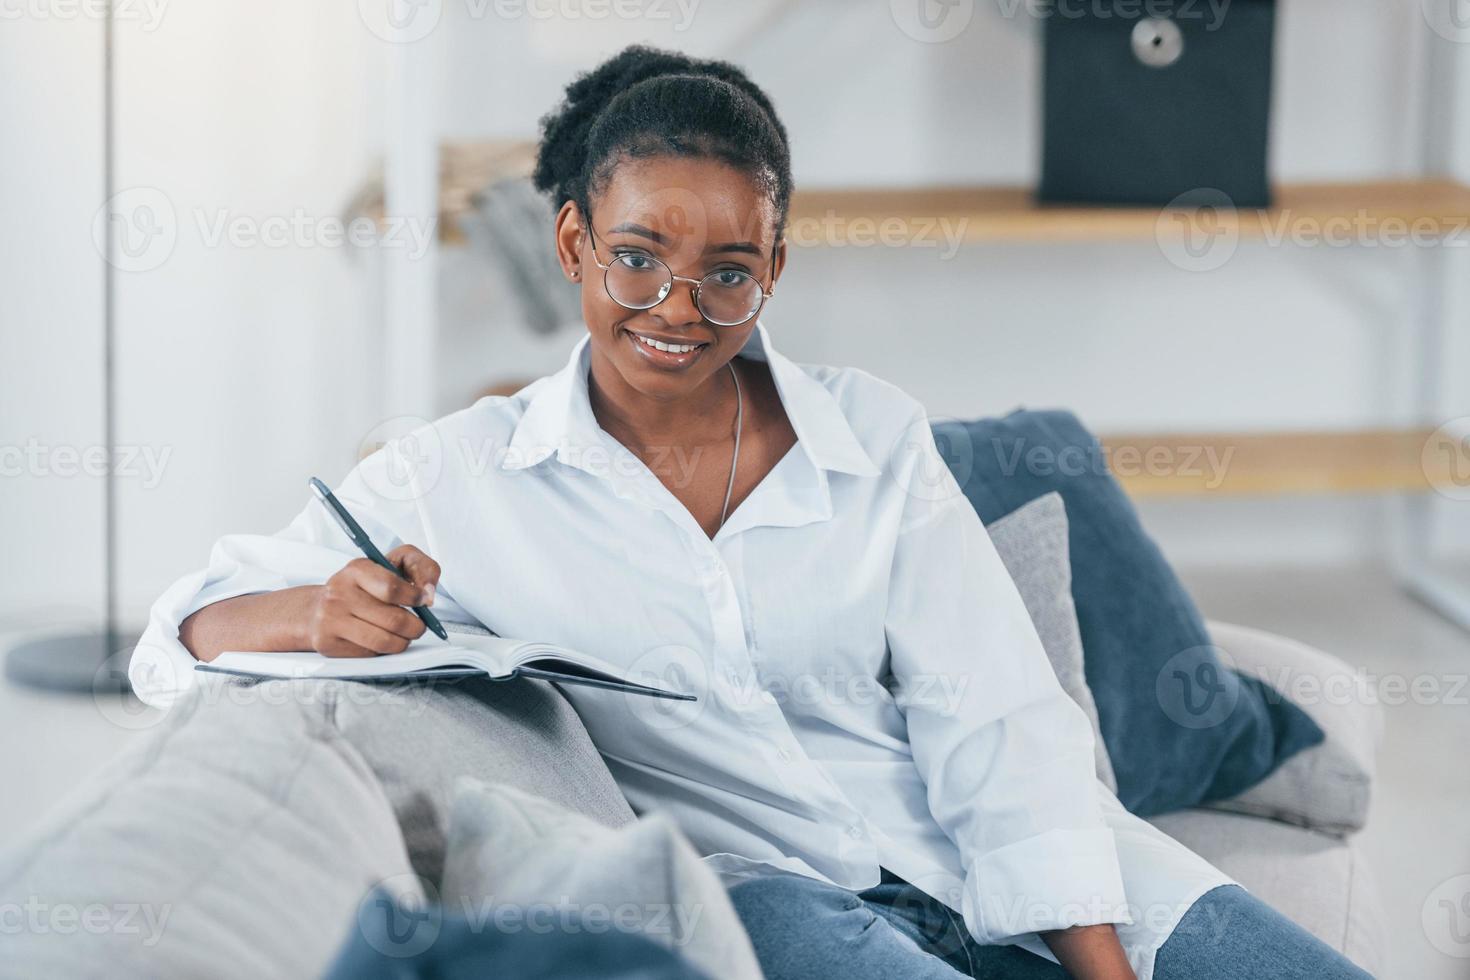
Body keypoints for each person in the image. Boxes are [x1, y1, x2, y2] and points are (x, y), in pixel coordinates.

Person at [133, 45, 1371, 980]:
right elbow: (172, 635)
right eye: (637, 255)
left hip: (1007, 865)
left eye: (728, 269)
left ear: (773, 266)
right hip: (778, 903)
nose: (680, 304)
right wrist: (313, 609)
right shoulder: (462, 475)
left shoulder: (871, 436)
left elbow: (998, 719)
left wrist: (1101, 962)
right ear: (573, 243)